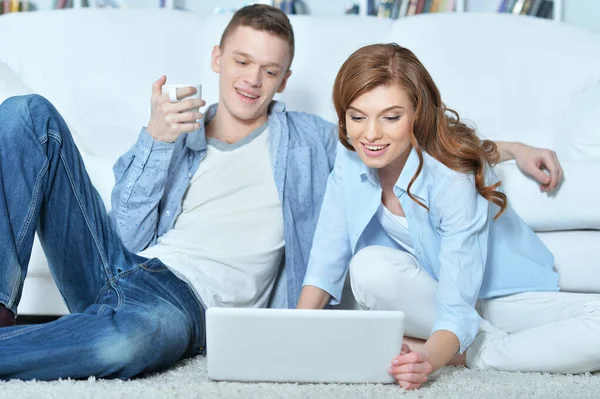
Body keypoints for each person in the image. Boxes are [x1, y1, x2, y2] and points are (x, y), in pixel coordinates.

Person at [0, 5, 562, 380]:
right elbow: (123, 234)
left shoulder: (314, 141)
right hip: (124, 267)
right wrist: (155, 140)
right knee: (28, 115)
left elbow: (398, 133)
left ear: (285, 80)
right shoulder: (176, 131)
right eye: (242, 62)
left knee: (133, 340)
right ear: (218, 59)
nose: (252, 79)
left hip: (184, 302)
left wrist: (507, 147)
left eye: (270, 70)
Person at [297, 42, 599, 390]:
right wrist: (296, 336)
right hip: (432, 299)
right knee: (367, 267)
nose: (371, 134)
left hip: (504, 298)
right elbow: (326, 257)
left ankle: (475, 354)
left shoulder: (451, 178)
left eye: (391, 117)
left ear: (417, 114)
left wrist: (427, 360)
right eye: (357, 116)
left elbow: (457, 309)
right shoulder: (351, 156)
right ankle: (480, 348)